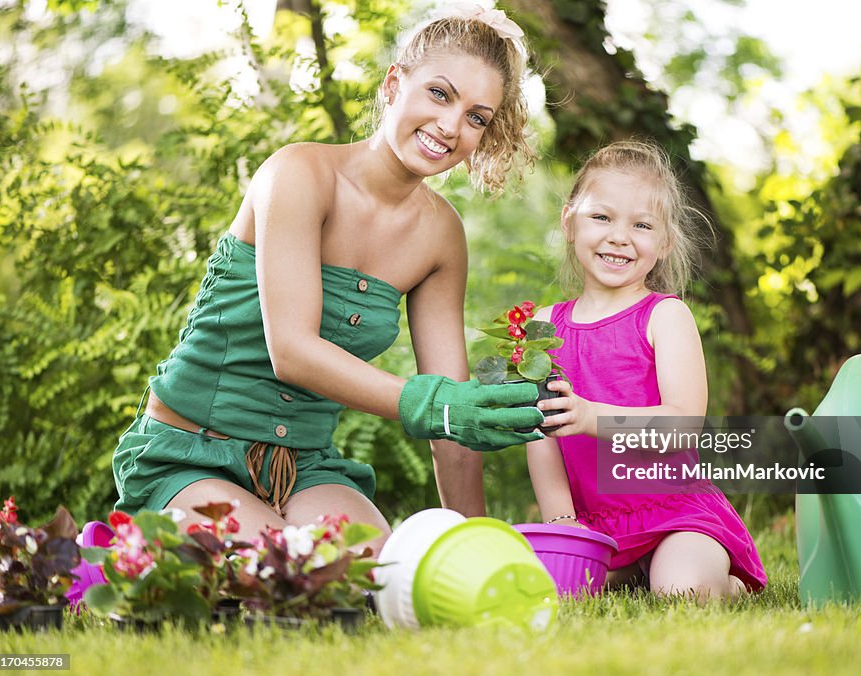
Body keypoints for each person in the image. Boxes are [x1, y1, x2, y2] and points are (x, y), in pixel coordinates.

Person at [110, 6, 544, 554]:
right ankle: (139, 543)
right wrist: (437, 405)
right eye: (440, 94)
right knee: (278, 571)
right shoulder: (299, 174)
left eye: (477, 117)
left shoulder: (440, 236)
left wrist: (477, 546)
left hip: (305, 469)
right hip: (191, 451)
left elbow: (451, 419)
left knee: (377, 574)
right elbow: (291, 350)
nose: (452, 127)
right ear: (394, 84)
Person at [526, 141, 767, 600]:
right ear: (569, 222)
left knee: (683, 590)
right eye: (602, 217)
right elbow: (541, 435)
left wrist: (589, 416)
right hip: (597, 525)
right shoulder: (543, 326)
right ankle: (633, 568)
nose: (619, 236)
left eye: (641, 225)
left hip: (674, 511)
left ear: (665, 241)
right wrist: (561, 523)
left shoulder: (664, 316)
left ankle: (725, 583)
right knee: (551, 590)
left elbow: (682, 426)